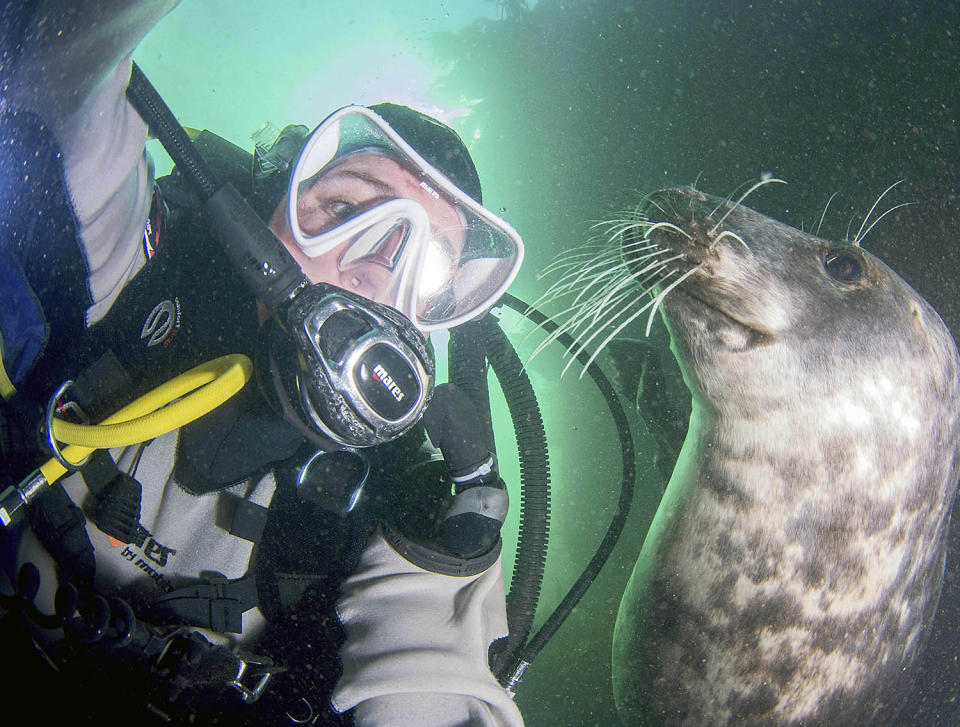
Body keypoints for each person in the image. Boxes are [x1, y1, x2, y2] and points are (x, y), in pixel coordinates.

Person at [0, 2, 526, 725]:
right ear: (265, 214)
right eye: (344, 207)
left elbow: (431, 695)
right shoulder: (142, 264)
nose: (375, 268)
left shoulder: (405, 496)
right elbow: (64, 70)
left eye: (428, 263)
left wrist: (445, 556)